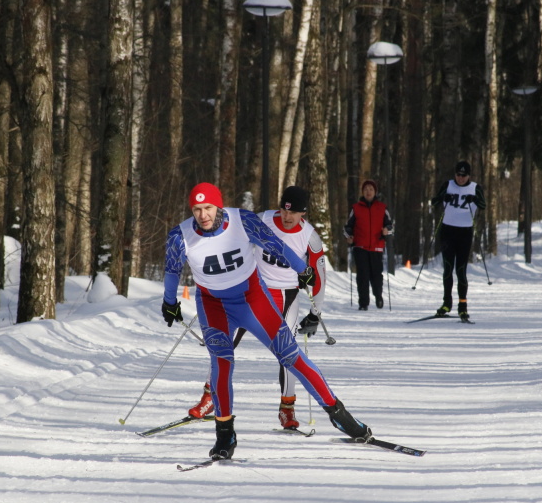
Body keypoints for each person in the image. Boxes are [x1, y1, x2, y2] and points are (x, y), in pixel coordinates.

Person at [162, 182, 370, 459]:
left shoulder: (242, 221)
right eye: (197, 209)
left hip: (253, 299)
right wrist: (169, 302)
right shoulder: (181, 236)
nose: (203, 215)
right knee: (222, 364)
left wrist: (303, 269)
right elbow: (172, 270)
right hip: (213, 305)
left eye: (209, 208)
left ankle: (339, 414)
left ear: (219, 206)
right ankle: (225, 436)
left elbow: (276, 245)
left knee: (290, 355)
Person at [185, 185, 327, 431]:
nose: (286, 216)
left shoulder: (310, 236)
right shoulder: (262, 219)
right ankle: (210, 397)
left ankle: (287, 408)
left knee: (288, 351)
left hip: (287, 296)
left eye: (293, 213)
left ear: (303, 214)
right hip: (251, 292)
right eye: (284, 209)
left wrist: (316, 313)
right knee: (222, 343)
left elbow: (319, 275)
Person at [431, 161, 486, 321]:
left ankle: (463, 307)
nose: (460, 178)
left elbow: (483, 205)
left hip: (465, 232)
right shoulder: (447, 185)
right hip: (448, 231)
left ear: (469, 176)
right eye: (458, 175)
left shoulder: (475, 187)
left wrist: (474, 199)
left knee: (461, 271)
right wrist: (443, 197)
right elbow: (434, 202)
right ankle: (446, 303)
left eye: (464, 175)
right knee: (448, 268)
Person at [343, 179, 393, 311]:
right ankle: (363, 303)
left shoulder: (382, 207)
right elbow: (348, 227)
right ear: (363, 192)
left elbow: (390, 225)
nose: (368, 192)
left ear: (375, 192)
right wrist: (349, 236)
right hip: (360, 246)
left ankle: (378, 296)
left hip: (377, 246)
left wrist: (386, 230)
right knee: (362, 276)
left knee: (376, 275)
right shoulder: (356, 208)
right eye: (366, 189)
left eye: (371, 189)